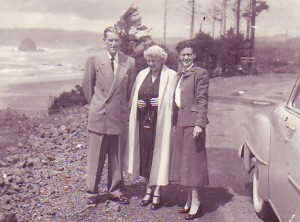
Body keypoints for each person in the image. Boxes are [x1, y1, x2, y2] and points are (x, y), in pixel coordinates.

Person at [82, 26, 136, 205]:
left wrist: (121, 108)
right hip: (99, 114)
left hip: (118, 115)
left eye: (116, 40)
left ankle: (115, 189)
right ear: (104, 40)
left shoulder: (129, 62)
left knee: (116, 156)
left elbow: (130, 91)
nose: (113, 43)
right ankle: (92, 191)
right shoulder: (95, 60)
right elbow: (88, 88)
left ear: (120, 41)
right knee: (95, 155)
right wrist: (97, 105)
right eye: (110, 40)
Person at [124, 45, 177, 210]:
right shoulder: (142, 75)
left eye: (153, 61)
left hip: (161, 124)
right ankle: (148, 189)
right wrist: (138, 104)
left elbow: (175, 102)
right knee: (146, 156)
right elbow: (134, 96)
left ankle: (157, 192)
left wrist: (161, 102)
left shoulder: (171, 76)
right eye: (148, 60)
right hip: (144, 123)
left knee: (159, 155)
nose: (150, 64)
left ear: (162, 60)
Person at [170, 40, 209, 220]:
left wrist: (199, 124)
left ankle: (196, 202)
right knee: (184, 165)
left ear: (194, 55)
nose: (186, 57)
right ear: (179, 56)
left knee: (193, 166)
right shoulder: (179, 75)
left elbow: (202, 100)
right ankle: (188, 200)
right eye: (183, 54)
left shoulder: (200, 73)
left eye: (189, 54)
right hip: (180, 123)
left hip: (193, 125)